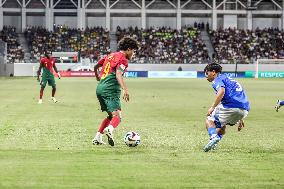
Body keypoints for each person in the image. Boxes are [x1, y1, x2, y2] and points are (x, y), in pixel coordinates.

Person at [92, 37, 139, 146]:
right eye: (133, 51)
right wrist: (125, 90)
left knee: (110, 116)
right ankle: (110, 129)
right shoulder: (123, 59)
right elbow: (118, 75)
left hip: (100, 88)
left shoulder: (110, 56)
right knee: (117, 116)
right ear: (128, 49)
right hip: (110, 89)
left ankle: (97, 137)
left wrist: (97, 77)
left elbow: (96, 66)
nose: (133, 53)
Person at [203, 63, 250, 152]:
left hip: (231, 106)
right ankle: (214, 142)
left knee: (209, 119)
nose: (206, 76)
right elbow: (238, 96)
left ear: (213, 72)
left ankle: (213, 137)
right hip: (245, 109)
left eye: (207, 73)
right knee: (222, 125)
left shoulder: (217, 79)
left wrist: (212, 107)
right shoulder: (229, 79)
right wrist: (241, 118)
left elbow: (221, 92)